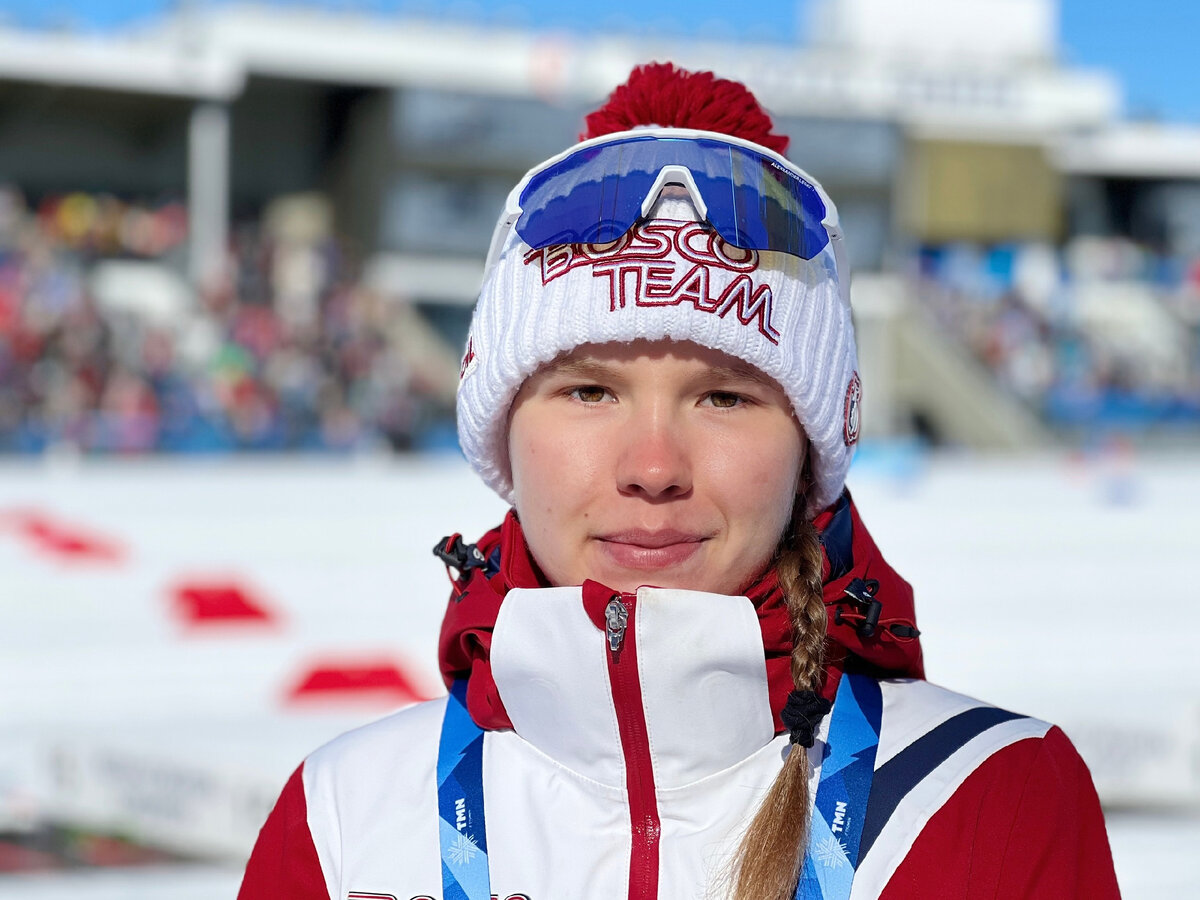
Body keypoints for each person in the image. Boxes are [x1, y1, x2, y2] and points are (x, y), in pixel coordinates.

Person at [239, 63, 1120, 900]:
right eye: (590, 391)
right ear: (505, 429)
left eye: (725, 398)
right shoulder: (343, 820)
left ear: (809, 452)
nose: (653, 468)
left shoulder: (992, 795)